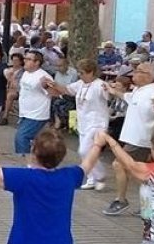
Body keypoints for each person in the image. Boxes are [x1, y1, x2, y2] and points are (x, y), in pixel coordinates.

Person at [103, 62, 154, 216]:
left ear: (148, 76)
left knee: (120, 165)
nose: (134, 74)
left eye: (138, 71)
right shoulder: (138, 90)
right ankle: (148, 206)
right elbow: (127, 97)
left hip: (142, 140)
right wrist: (112, 90)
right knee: (139, 173)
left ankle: (122, 200)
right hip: (133, 139)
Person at [46, 58, 111, 190]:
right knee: (88, 150)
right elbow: (66, 90)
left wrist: (110, 89)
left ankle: (100, 174)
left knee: (84, 150)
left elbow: (109, 95)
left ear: (91, 72)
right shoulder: (80, 84)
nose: (80, 75)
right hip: (83, 122)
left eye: (82, 73)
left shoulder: (100, 85)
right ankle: (92, 178)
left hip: (97, 123)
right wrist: (52, 84)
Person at [15, 51, 52, 161]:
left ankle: (28, 164)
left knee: (21, 137)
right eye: (25, 58)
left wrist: (45, 86)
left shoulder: (44, 76)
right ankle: (39, 161)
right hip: (25, 113)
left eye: (28, 59)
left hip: (37, 114)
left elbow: (54, 93)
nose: (24, 61)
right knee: (34, 141)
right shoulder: (26, 73)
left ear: (37, 62)